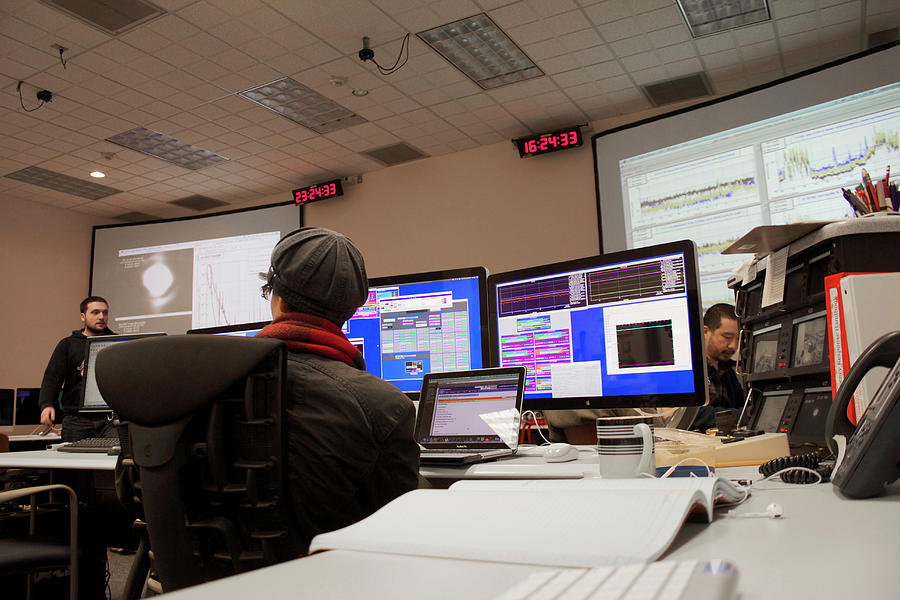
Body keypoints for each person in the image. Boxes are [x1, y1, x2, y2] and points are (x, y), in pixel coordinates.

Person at [255, 227, 420, 552]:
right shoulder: (387, 408)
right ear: (348, 312)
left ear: (279, 300)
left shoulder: (197, 384)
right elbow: (399, 527)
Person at [39, 295, 116, 442]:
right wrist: (47, 404)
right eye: (95, 312)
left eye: (105, 313)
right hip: (76, 420)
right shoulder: (68, 345)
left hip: (109, 419)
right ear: (83, 316)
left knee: (114, 461)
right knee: (73, 462)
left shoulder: (117, 344)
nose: (101, 317)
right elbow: (52, 377)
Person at [691, 303, 745, 432]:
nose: (733, 345)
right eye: (727, 337)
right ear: (705, 332)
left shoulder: (728, 371)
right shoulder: (691, 369)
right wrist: (741, 416)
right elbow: (693, 416)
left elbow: (743, 407)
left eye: (738, 339)